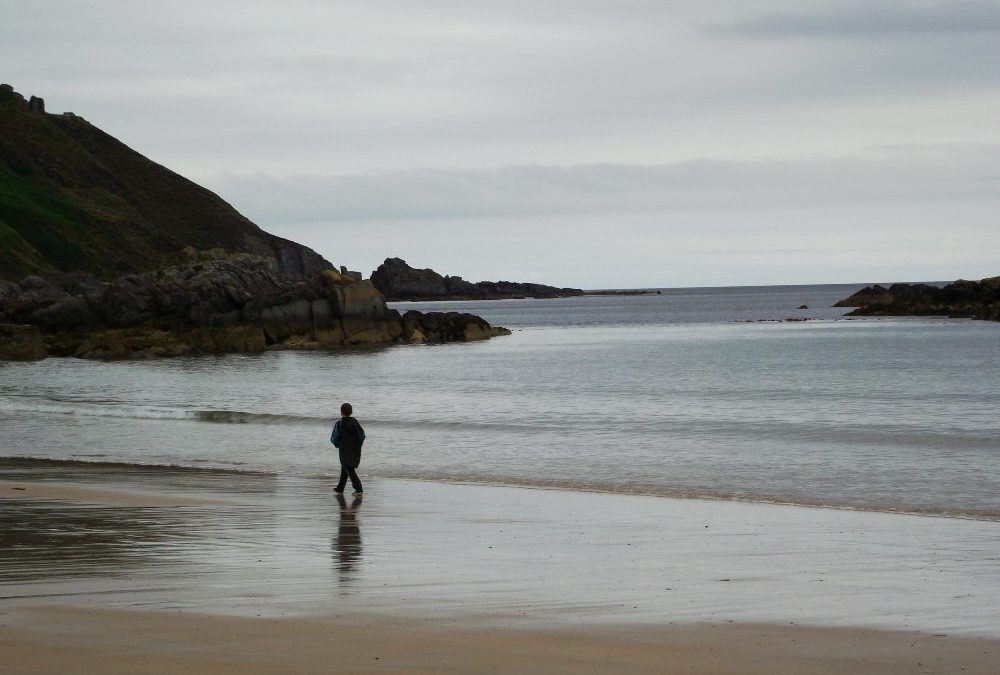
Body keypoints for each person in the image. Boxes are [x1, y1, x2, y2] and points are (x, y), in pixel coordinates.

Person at [331, 402, 365, 493]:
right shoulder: (355, 422)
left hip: (344, 449)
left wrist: (337, 444)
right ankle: (340, 488)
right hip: (355, 449)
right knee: (345, 466)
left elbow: (335, 438)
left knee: (349, 468)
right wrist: (358, 445)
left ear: (341, 412)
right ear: (351, 412)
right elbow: (362, 435)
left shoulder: (339, 424)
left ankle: (359, 489)